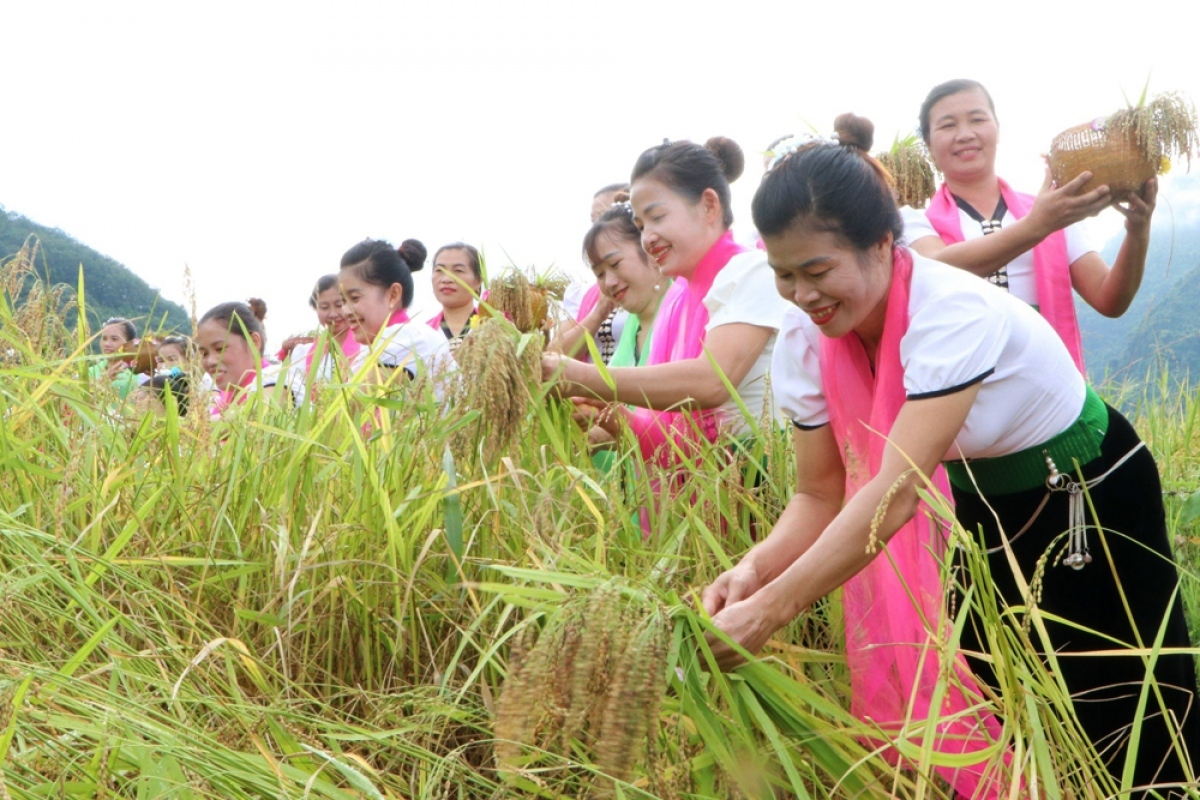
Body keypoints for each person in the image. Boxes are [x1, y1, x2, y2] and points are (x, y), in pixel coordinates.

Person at [702, 114, 1197, 795]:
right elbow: (820, 493)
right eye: (785, 275)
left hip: (1085, 491)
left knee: (1122, 699)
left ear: (883, 245)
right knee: (998, 692)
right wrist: (754, 571)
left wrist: (771, 610)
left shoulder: (949, 313)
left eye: (818, 270)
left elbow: (895, 493)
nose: (803, 295)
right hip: (977, 502)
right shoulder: (803, 339)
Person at [545, 137, 791, 467]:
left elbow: (713, 382)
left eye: (657, 217)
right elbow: (673, 446)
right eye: (641, 226)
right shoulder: (677, 302)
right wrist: (612, 418)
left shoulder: (752, 273)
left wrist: (585, 378)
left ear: (708, 205)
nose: (648, 237)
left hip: (756, 489)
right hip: (707, 500)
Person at [903, 79, 1156, 373]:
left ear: (997, 129)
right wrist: (1039, 225)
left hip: (1051, 394)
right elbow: (935, 271)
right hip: (965, 398)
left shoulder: (1056, 210)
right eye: (947, 126)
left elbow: (1109, 299)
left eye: (977, 119)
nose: (965, 134)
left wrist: (1138, 229)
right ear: (929, 145)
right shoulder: (914, 222)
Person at [575, 201, 671, 471]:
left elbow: (681, 439)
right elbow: (629, 434)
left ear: (651, 250)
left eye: (615, 264)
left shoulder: (685, 316)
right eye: (599, 274)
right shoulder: (631, 332)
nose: (609, 282)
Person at [337, 238, 450, 389]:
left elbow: (350, 406)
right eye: (343, 301)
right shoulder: (371, 349)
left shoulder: (407, 340)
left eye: (355, 298)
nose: (345, 311)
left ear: (393, 295)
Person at [196, 299, 283, 417]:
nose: (210, 361)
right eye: (204, 354)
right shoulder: (226, 391)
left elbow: (250, 418)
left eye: (220, 349)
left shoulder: (274, 381)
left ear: (253, 342)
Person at [285, 275, 359, 405]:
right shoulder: (303, 354)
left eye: (339, 305)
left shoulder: (366, 346)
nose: (333, 314)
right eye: (324, 307)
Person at [427, 243, 483, 352]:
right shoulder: (422, 334)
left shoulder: (494, 330)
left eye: (458, 271)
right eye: (439, 270)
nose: (446, 279)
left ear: (478, 281)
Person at [92, 317, 141, 399]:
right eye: (104, 338)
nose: (107, 344)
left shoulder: (140, 374)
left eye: (114, 339)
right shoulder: (90, 371)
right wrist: (103, 382)